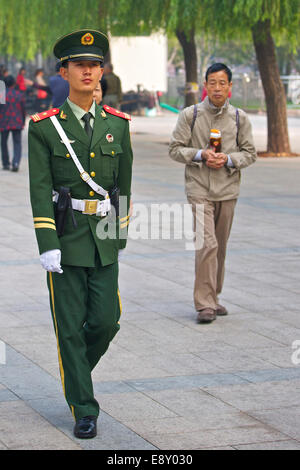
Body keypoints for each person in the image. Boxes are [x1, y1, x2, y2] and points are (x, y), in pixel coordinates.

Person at [28, 29, 133, 438]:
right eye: (79, 65)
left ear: (102, 71)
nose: (87, 71)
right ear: (64, 72)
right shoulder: (43, 128)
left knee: (107, 322)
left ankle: (74, 376)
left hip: (103, 238)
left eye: (94, 65)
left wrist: (118, 236)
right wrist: (46, 243)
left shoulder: (118, 126)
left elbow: (122, 188)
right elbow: (39, 191)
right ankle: (84, 408)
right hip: (66, 240)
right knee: (69, 330)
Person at [169, 63, 257, 324]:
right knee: (207, 244)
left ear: (230, 87)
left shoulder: (240, 118)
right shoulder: (190, 115)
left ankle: (213, 296)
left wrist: (228, 160)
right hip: (199, 189)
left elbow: (250, 153)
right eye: (212, 82)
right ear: (205, 86)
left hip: (227, 189)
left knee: (220, 247)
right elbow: (175, 149)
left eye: (222, 83)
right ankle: (205, 304)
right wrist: (200, 154)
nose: (217, 87)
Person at [0, 75, 25, 171]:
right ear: (14, 83)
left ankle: (6, 164)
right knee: (17, 143)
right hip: (17, 121)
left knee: (3, 143)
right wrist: (22, 121)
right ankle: (15, 163)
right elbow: (23, 110)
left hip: (3, 121)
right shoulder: (19, 94)